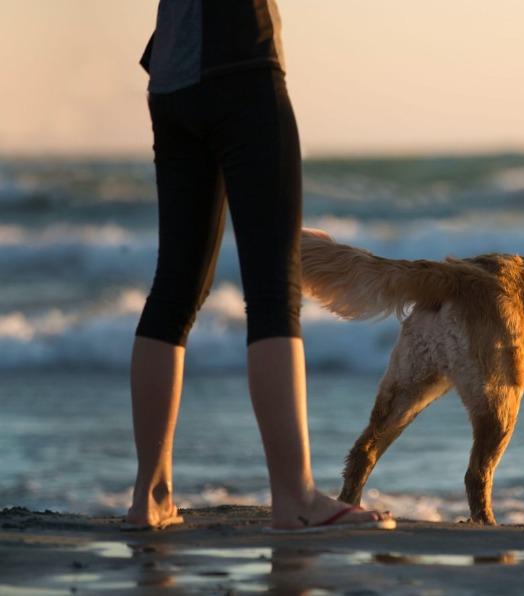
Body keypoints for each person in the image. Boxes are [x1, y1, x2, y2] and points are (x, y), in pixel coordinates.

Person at [124, 0, 394, 531]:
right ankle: (294, 496)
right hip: (242, 63)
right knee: (272, 291)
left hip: (172, 80)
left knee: (173, 291)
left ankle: (149, 496)